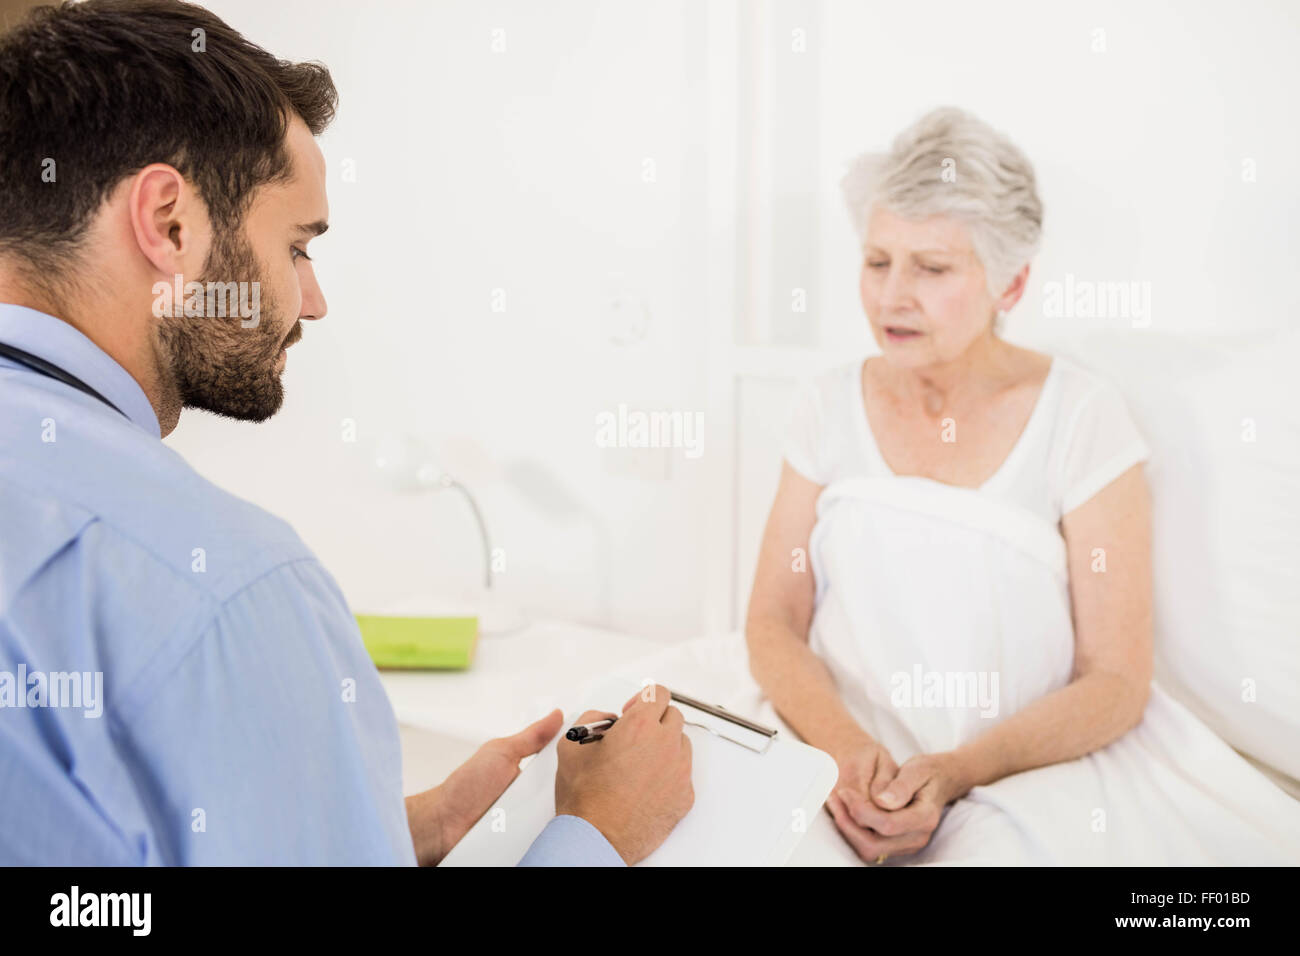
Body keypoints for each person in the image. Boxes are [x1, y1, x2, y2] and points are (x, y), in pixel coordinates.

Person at [0, 0, 691, 866]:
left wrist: (395, 830)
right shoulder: (229, 588)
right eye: (296, 247)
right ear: (170, 223)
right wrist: (601, 834)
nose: (313, 300)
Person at [744, 106, 1300, 864]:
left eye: (932, 268)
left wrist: (956, 773)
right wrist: (843, 750)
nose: (891, 296)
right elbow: (773, 620)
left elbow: (1115, 679)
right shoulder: (825, 404)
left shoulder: (1083, 416)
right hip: (838, 754)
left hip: (1017, 774)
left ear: (1012, 284)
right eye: (877, 261)